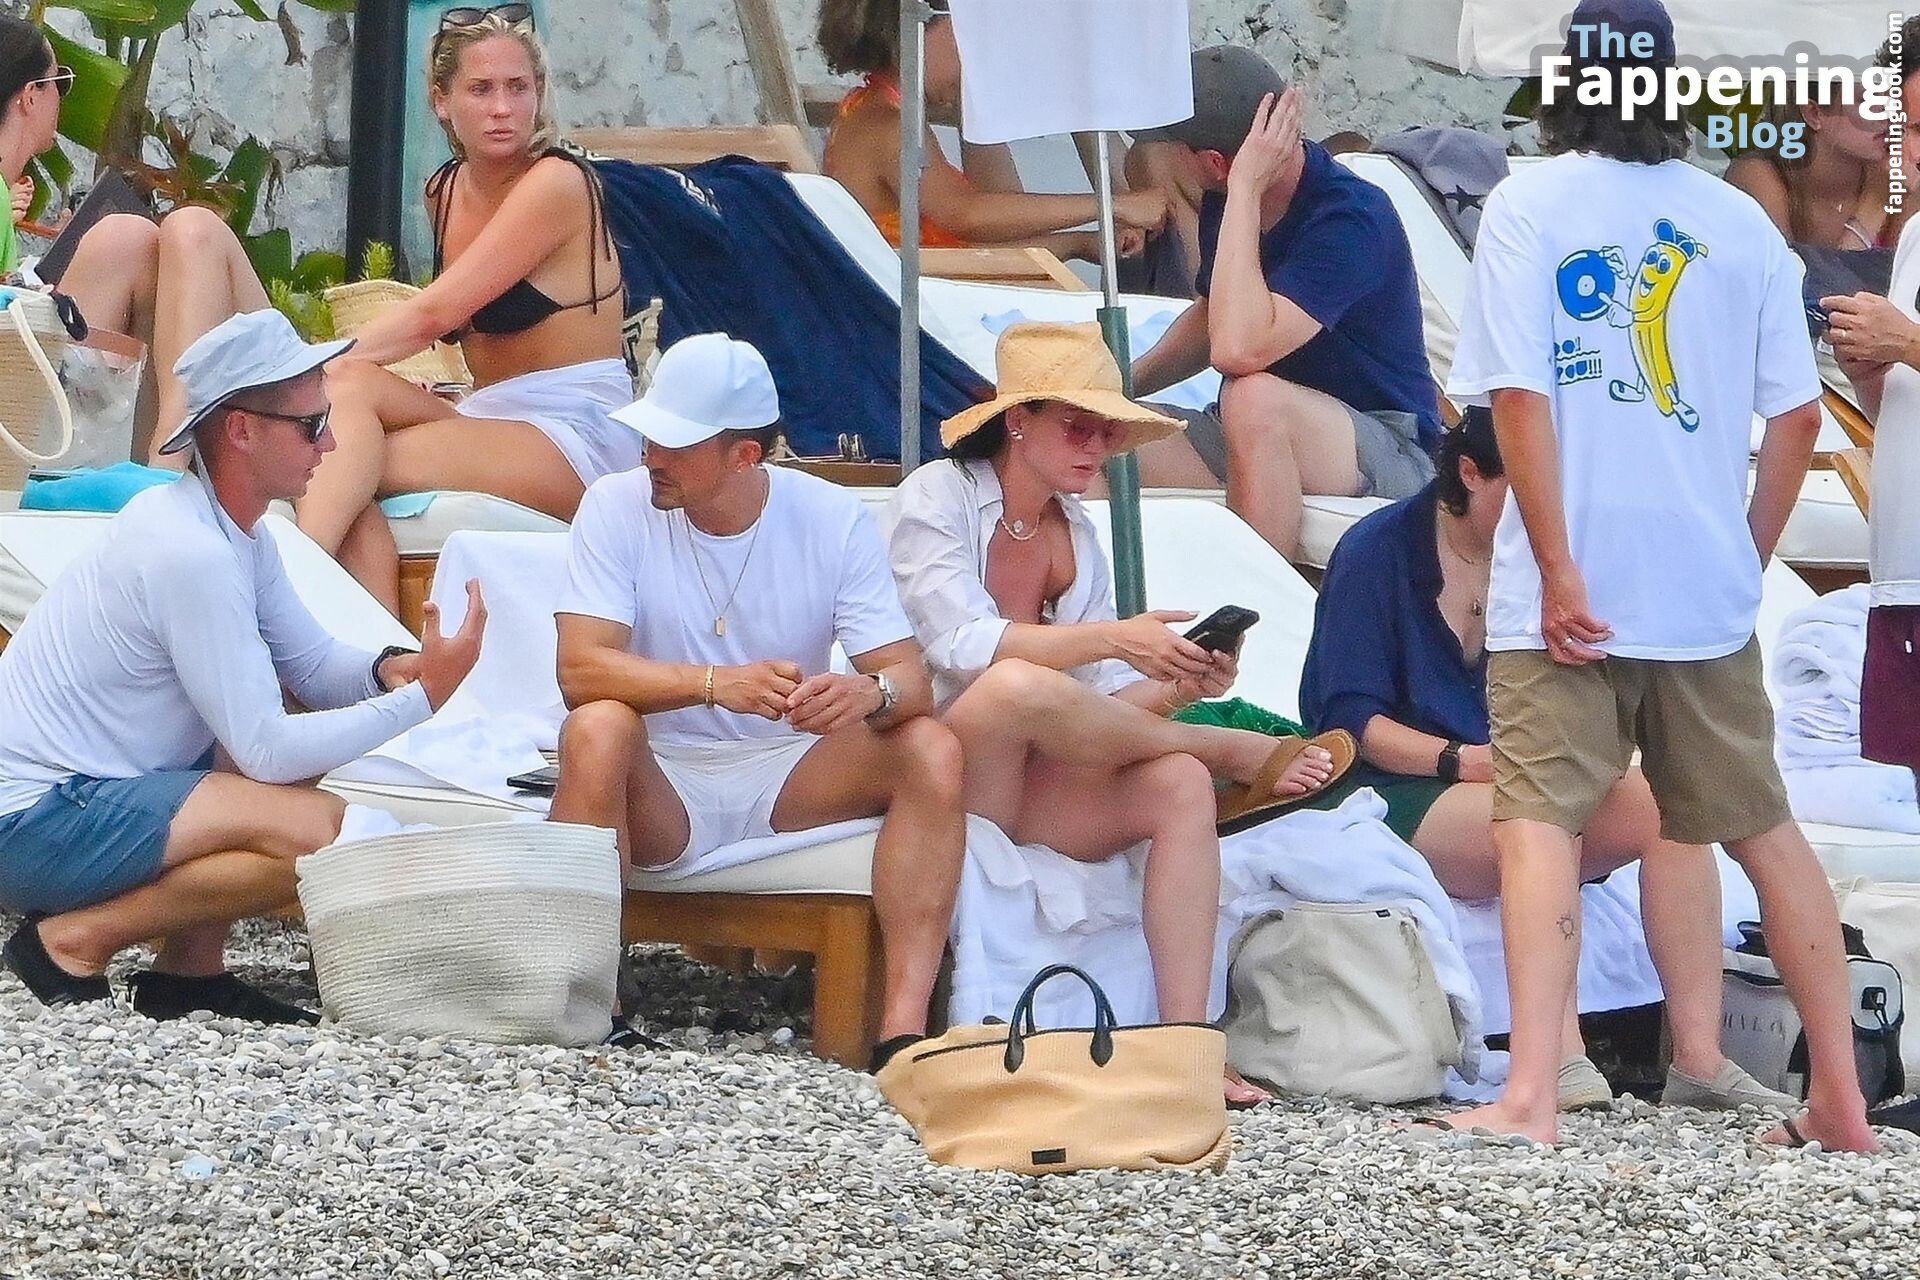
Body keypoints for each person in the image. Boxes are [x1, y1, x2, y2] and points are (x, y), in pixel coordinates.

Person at [1442, 0, 1876, 1151]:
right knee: (1765, 830)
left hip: (1569, 585)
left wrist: (1559, 565)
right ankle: (1841, 1100)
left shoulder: (1526, 203)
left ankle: (1531, 1095)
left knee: (1537, 824)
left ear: (1568, 85)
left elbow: (1518, 396)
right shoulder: (1741, 221)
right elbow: (1797, 418)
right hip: (1701, 585)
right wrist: (1744, 552)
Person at [885, 321, 1355, 1105]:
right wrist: (1114, 639)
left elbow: (1096, 709)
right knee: (1011, 686)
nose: (1097, 446)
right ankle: (1223, 748)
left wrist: (1179, 681)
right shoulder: (938, 496)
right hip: (945, 775)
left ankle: (1187, 1044)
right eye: (1079, 426)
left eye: (1107, 432)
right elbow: (961, 646)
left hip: (1040, 779)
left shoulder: (1077, 533)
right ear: (1018, 420)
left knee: (1177, 783)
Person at [1300, 407, 1793, 1113]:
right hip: (1399, 781)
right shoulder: (1379, 549)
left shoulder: (1557, 557)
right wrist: (1462, 760)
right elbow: (1350, 721)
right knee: (1537, 819)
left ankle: (1699, 1056)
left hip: (1514, 766)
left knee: (1672, 806)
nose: (1545, 509)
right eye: (1527, 486)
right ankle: (1560, 1055)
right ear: (1470, 474)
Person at [0, 309, 485, 1020]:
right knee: (324, 834)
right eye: (313, 425)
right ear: (241, 430)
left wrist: (393, 670)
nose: (332, 443)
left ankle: (189, 973)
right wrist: (424, 699)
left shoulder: (231, 530)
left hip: (69, 799)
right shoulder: (192, 551)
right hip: (32, 821)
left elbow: (314, 665)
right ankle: (72, 941)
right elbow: (266, 751)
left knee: (285, 754)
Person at [547, 332, 964, 1073]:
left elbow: (911, 682)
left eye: (674, 443)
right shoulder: (614, 503)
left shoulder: (830, 515)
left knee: (932, 747)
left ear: (745, 456)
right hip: (662, 777)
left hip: (788, 774)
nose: (651, 456)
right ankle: (587, 1009)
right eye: (649, 436)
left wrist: (867, 692)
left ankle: (902, 1034)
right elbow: (579, 670)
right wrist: (715, 684)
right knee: (596, 726)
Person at [302, 5, 641, 611]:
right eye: (481, 89)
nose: (502, 108)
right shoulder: (444, 189)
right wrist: (330, 369)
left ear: (539, 94)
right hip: (488, 412)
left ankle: (288, 586)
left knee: (338, 463)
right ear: (442, 101)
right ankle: (379, 650)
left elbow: (431, 317)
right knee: (347, 393)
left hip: (574, 432)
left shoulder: (557, 183)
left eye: (518, 88)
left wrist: (295, 370)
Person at [1127, 45, 1440, 562]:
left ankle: (1254, 602)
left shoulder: (1352, 218)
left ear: (1214, 162)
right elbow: (1212, 318)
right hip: (1260, 431)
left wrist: (1245, 190)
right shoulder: (1226, 199)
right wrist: (1118, 386)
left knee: (1251, 397)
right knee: (1094, 433)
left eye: (1173, 149)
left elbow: (1237, 351)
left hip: (1387, 443)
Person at [0, 14, 280, 463]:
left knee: (138, 239)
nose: (62, 99)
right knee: (143, 236)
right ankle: (183, 453)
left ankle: (175, 450)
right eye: (61, 84)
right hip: (25, 409)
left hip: (33, 398)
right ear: (30, 96)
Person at [816, 0, 1167, 262]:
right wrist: (1113, 205)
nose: (978, 55)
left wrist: (1081, 243)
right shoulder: (887, 125)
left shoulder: (878, 107)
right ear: (920, 27)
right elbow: (966, 215)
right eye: (969, 37)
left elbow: (996, 215)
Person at [1822, 14, 1920, 781]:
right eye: (1910, 128)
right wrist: (1868, 368)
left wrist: (1907, 341)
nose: (1915, 150)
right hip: (1902, 572)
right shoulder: (1915, 234)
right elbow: (1901, 409)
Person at [1725, 97, 1894, 250]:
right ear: (1813, 113)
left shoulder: (1894, 173)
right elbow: (1784, 272)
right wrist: (1872, 206)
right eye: (1866, 101)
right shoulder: (1760, 176)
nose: (1889, 111)